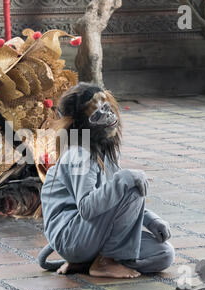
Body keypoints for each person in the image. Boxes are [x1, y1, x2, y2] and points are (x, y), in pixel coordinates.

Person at [39, 83, 175, 278]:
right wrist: (125, 179)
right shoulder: (79, 153)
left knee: (164, 254)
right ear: (80, 124)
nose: (109, 115)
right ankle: (105, 262)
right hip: (72, 236)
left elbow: (115, 202)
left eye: (107, 107)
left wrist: (150, 219)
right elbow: (86, 207)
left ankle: (88, 262)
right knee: (130, 185)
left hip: (93, 234)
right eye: (98, 113)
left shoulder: (104, 151)